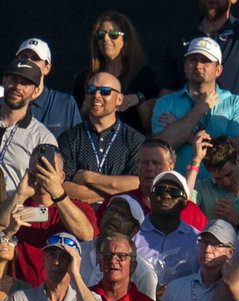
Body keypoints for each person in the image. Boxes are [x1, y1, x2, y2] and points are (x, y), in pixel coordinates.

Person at [151, 37, 239, 175]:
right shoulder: (165, 102)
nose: (198, 66)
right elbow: (160, 147)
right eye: (193, 60)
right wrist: (199, 109)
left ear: (218, 69)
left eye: (205, 61)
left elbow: (235, 148)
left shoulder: (236, 103)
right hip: (177, 188)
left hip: (220, 188)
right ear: (185, 65)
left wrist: (185, 134)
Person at [58, 72, 145, 206]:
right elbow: (62, 188)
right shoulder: (69, 138)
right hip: (79, 220)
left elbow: (138, 184)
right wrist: (114, 191)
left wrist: (88, 177)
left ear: (119, 100)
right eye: (91, 90)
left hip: (121, 220)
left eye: (105, 91)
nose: (96, 96)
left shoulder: (135, 140)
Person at [72, 12, 159, 131]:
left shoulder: (144, 76)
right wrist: (88, 105)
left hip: (133, 144)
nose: (106, 39)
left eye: (113, 34)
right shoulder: (85, 78)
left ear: (126, 41)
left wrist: (139, 100)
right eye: (101, 35)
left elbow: (152, 126)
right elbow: (75, 121)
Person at [0, 60, 58, 193]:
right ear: (4, 80)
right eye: (13, 80)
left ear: (36, 91)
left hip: (14, 210)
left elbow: (45, 193)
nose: (17, 87)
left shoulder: (42, 138)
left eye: (25, 83)